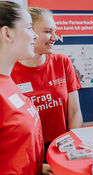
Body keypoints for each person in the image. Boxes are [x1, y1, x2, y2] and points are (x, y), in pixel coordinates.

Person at [10, 7, 83, 164]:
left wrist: (74, 146)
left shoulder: (62, 62)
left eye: (55, 31)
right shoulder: (9, 70)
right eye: (48, 31)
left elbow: (74, 111)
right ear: (30, 32)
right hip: (27, 151)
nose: (56, 37)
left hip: (62, 146)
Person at [0, 1, 45, 174]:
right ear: (7, 33)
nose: (34, 36)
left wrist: (37, 167)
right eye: (28, 27)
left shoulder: (8, 82)